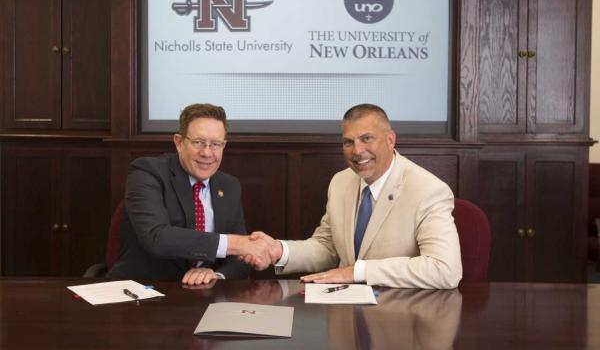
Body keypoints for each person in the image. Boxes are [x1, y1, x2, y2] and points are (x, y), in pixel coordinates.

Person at [248, 104, 462, 289]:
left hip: (401, 315)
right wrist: (280, 251)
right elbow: (327, 247)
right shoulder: (340, 182)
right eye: (348, 142)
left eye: (366, 139)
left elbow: (445, 269)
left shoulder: (428, 190)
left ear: (390, 140)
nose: (357, 151)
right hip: (344, 315)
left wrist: (358, 272)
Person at [109, 103, 271, 284]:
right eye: (198, 142)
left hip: (203, 296)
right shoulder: (147, 172)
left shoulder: (230, 186)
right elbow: (157, 237)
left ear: (224, 146)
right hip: (143, 293)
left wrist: (215, 276)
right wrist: (237, 244)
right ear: (179, 142)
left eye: (215, 144)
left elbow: (240, 260)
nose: (207, 153)